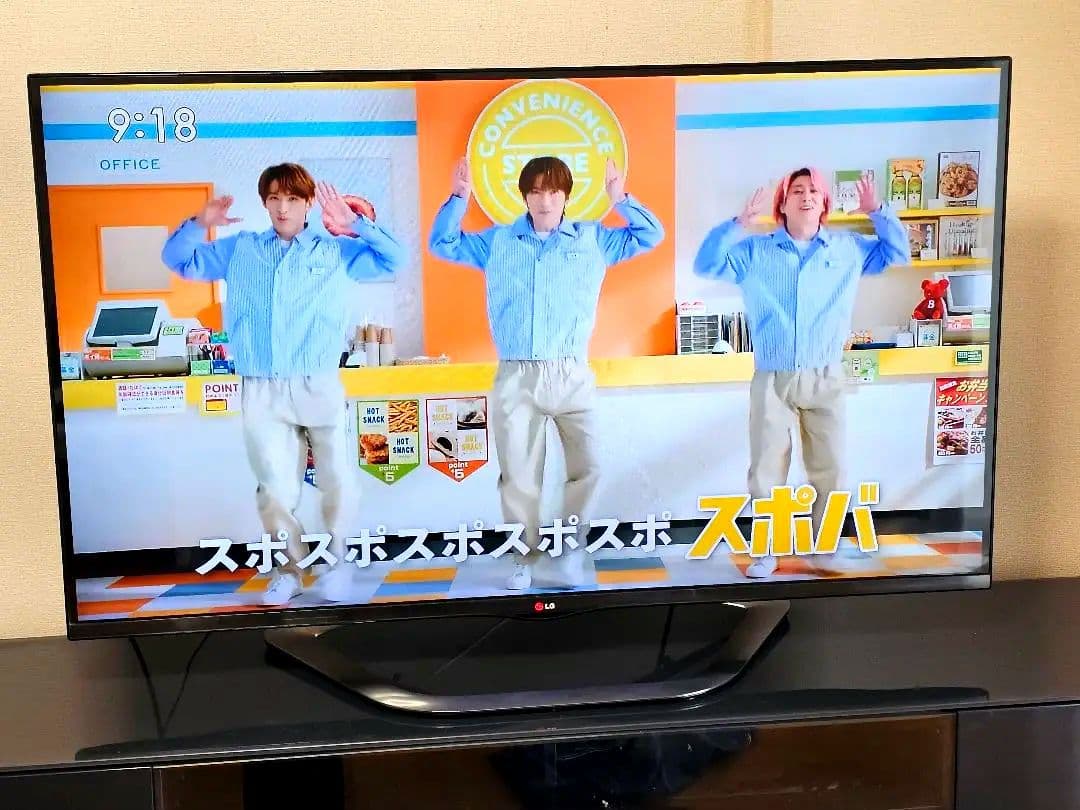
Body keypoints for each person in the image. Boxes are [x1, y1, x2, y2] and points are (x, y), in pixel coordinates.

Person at [161, 162, 407, 604]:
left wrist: (357, 224)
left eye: (293, 198)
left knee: (338, 479)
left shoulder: (336, 251)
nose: (282, 207)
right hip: (262, 386)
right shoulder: (241, 249)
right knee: (273, 489)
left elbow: (396, 259)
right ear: (264, 203)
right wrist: (200, 223)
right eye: (274, 198)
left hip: (318, 381)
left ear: (308, 203)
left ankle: (337, 565)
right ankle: (288, 571)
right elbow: (178, 260)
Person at [429, 155, 664, 590]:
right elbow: (442, 243)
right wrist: (459, 198)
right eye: (536, 191)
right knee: (518, 476)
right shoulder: (499, 241)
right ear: (524, 196)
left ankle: (571, 550)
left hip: (572, 372)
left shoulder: (593, 238)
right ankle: (525, 558)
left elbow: (651, 234)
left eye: (553, 191)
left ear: (566, 196)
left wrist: (620, 198)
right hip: (516, 375)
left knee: (588, 467)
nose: (545, 200)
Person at [693, 167, 909, 578]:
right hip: (772, 377)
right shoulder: (755, 250)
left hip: (826, 374)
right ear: (783, 203)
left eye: (813, 190)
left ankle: (824, 550)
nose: (806, 196)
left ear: (825, 202)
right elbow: (706, 263)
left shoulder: (848, 247)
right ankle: (766, 552)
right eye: (796, 190)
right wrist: (737, 224)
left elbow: (898, 253)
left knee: (831, 466)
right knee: (766, 468)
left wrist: (877, 211)